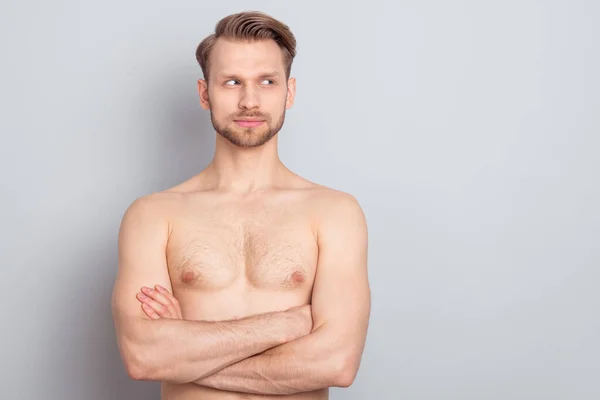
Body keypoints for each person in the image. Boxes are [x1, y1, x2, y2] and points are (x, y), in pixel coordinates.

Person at [111, 10, 370, 400]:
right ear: (205, 93)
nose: (249, 101)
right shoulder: (153, 216)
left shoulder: (334, 213)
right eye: (232, 82)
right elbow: (144, 357)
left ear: (290, 91)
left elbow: (336, 362)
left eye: (267, 81)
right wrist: (285, 325)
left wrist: (184, 354)